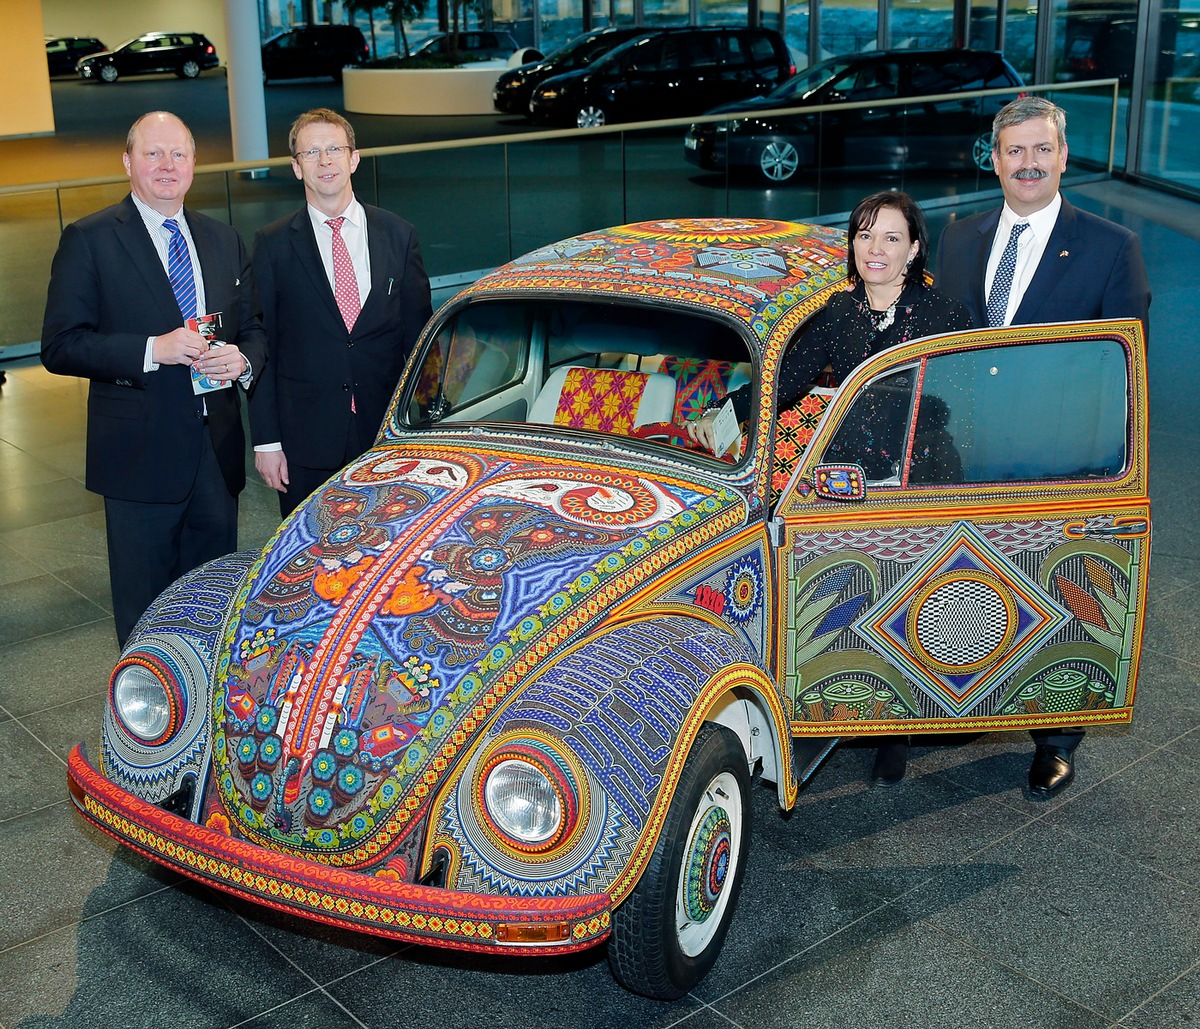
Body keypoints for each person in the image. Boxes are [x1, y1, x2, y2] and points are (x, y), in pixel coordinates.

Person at [689, 192, 973, 787]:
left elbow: (971, 394)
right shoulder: (836, 313)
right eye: (866, 235)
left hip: (923, 477)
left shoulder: (946, 313)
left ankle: (903, 729)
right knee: (861, 599)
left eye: (892, 238)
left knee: (918, 608)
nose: (877, 249)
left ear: (915, 248)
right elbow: (785, 383)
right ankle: (853, 705)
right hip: (848, 482)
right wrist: (724, 414)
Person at [935, 95, 1151, 799]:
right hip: (966, 452)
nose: (1028, 163)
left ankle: (1055, 736)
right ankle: (980, 697)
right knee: (975, 584)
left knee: (1058, 593)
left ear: (1063, 157)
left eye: (1041, 150)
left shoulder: (1111, 247)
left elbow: (1126, 365)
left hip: (1059, 456)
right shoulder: (959, 237)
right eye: (1014, 151)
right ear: (994, 160)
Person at [41, 111, 266, 649]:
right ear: (127, 162)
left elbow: (253, 327)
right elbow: (60, 344)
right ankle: (147, 724)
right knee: (146, 620)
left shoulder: (222, 239)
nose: (167, 166)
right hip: (139, 463)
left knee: (213, 610)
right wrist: (152, 350)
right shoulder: (89, 239)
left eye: (179, 154)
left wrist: (241, 362)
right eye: (152, 153)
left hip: (216, 458)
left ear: (194, 163)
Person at [250, 108, 433, 518]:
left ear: (354, 158)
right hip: (304, 442)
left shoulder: (398, 235)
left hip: (385, 436)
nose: (325, 161)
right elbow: (262, 348)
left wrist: (425, 427)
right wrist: (267, 442)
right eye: (311, 153)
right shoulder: (272, 245)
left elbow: (420, 342)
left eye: (334, 148)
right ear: (297, 168)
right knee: (306, 558)